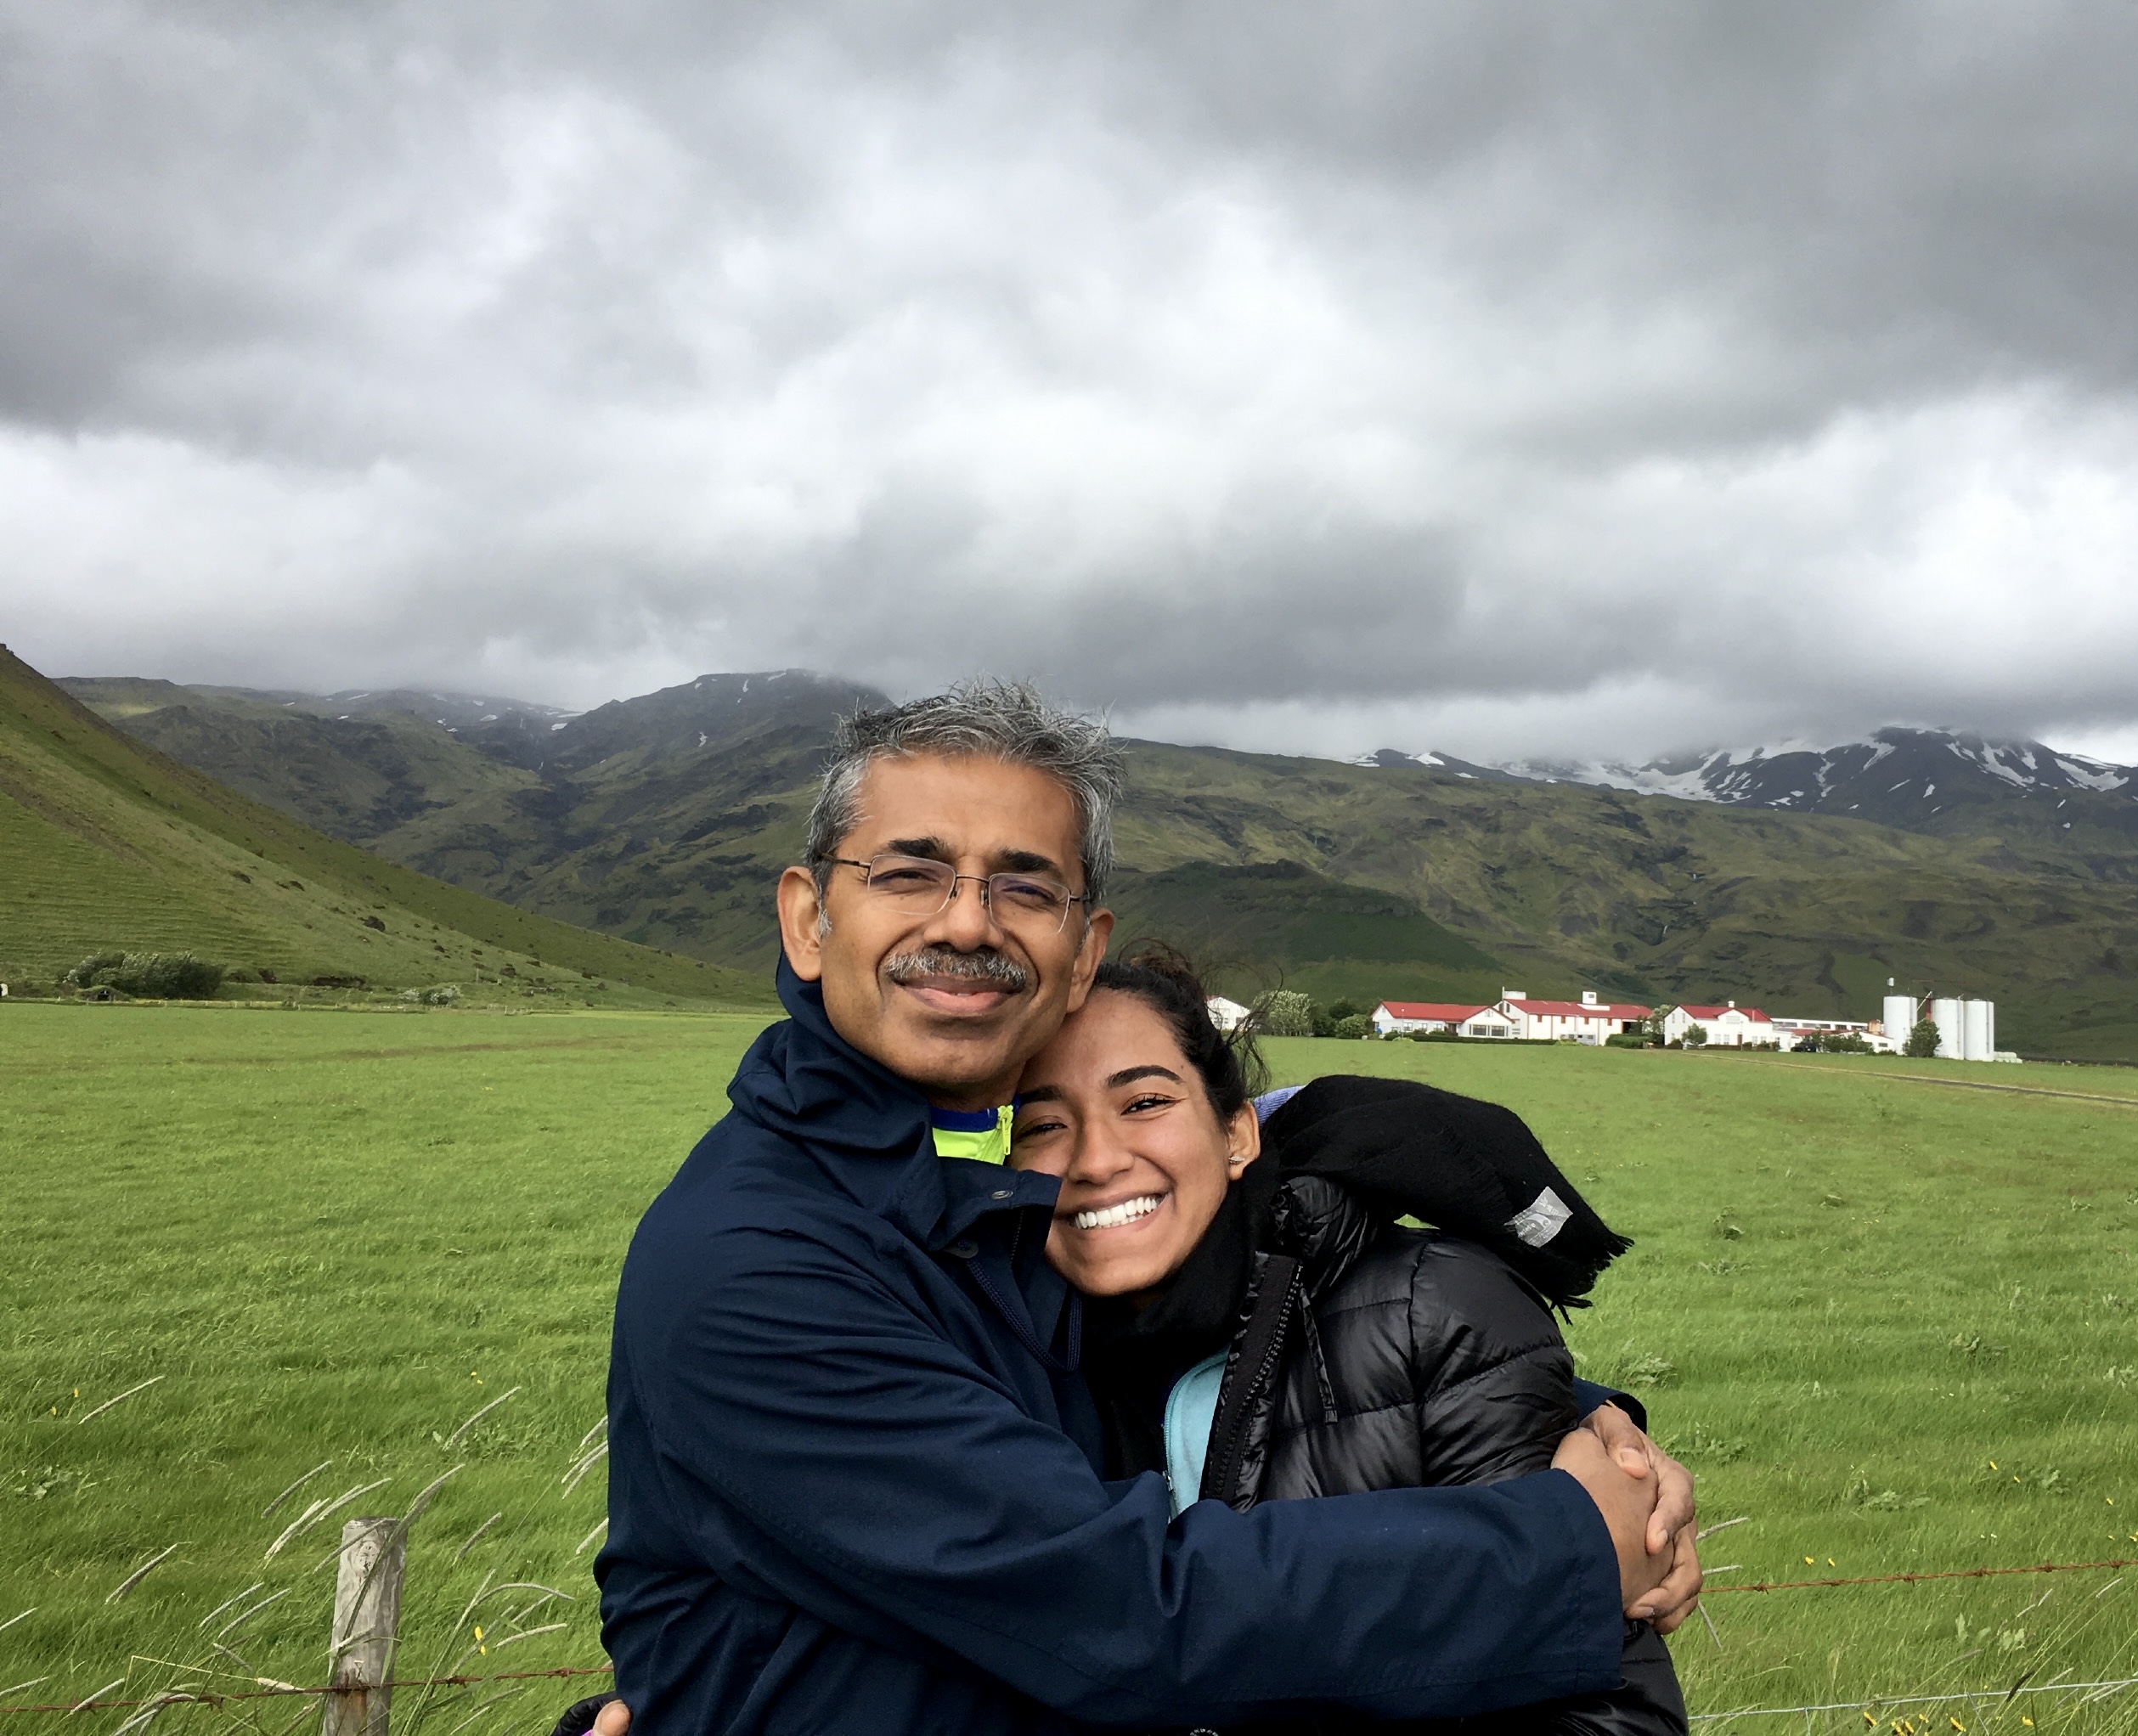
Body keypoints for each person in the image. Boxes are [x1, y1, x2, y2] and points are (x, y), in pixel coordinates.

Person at [593, 684, 1702, 1734]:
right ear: (808, 919)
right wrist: (1569, 1543)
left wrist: (1530, 1394)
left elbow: (1239, 1335)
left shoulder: (957, 1213)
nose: (969, 924)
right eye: (908, 872)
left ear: (1081, 954)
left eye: (1024, 886)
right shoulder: (756, 1264)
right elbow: (1130, 1612)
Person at [1010, 948, 1690, 1734]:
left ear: (1238, 1133)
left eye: (1145, 1103)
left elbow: (1612, 1718)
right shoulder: (1001, 1353)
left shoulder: (1436, 1310)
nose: (1095, 1159)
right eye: (1045, 1125)